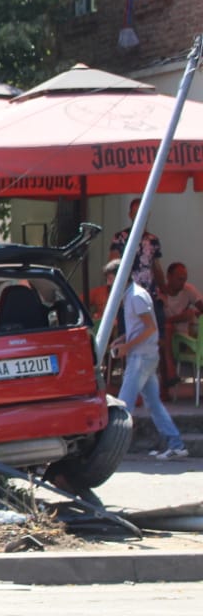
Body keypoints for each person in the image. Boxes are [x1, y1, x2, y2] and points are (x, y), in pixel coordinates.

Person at [110, 277, 188, 460]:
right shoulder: (134, 294)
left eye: (111, 280)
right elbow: (141, 327)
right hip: (145, 355)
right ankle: (176, 445)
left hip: (141, 356)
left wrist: (127, 347)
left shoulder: (136, 296)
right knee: (154, 404)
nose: (110, 285)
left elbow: (150, 328)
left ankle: (111, 451)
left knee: (123, 406)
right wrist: (123, 339)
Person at [109, 197, 171, 390]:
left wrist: (165, 290)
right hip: (128, 296)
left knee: (157, 337)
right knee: (128, 338)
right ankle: (131, 387)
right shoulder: (120, 238)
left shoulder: (152, 240)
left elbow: (156, 267)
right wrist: (114, 296)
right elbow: (113, 266)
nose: (139, 216)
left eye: (142, 213)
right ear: (130, 215)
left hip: (150, 296)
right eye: (135, 213)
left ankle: (163, 385)